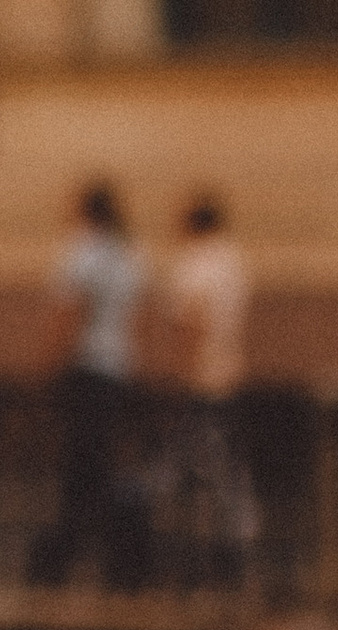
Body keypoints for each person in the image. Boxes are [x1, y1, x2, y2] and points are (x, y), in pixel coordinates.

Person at [26, 183, 148, 591]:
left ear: (84, 210)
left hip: (87, 372)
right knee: (99, 463)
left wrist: (44, 366)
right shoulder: (127, 255)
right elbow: (137, 317)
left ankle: (62, 557)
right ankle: (115, 557)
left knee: (81, 467)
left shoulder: (83, 253)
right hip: (118, 372)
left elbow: (67, 314)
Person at [158, 195, 258, 585]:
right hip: (229, 377)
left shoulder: (193, 264)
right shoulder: (234, 262)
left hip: (199, 381)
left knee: (188, 469)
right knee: (228, 470)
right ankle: (236, 544)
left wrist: (179, 372)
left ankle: (187, 561)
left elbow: (191, 322)